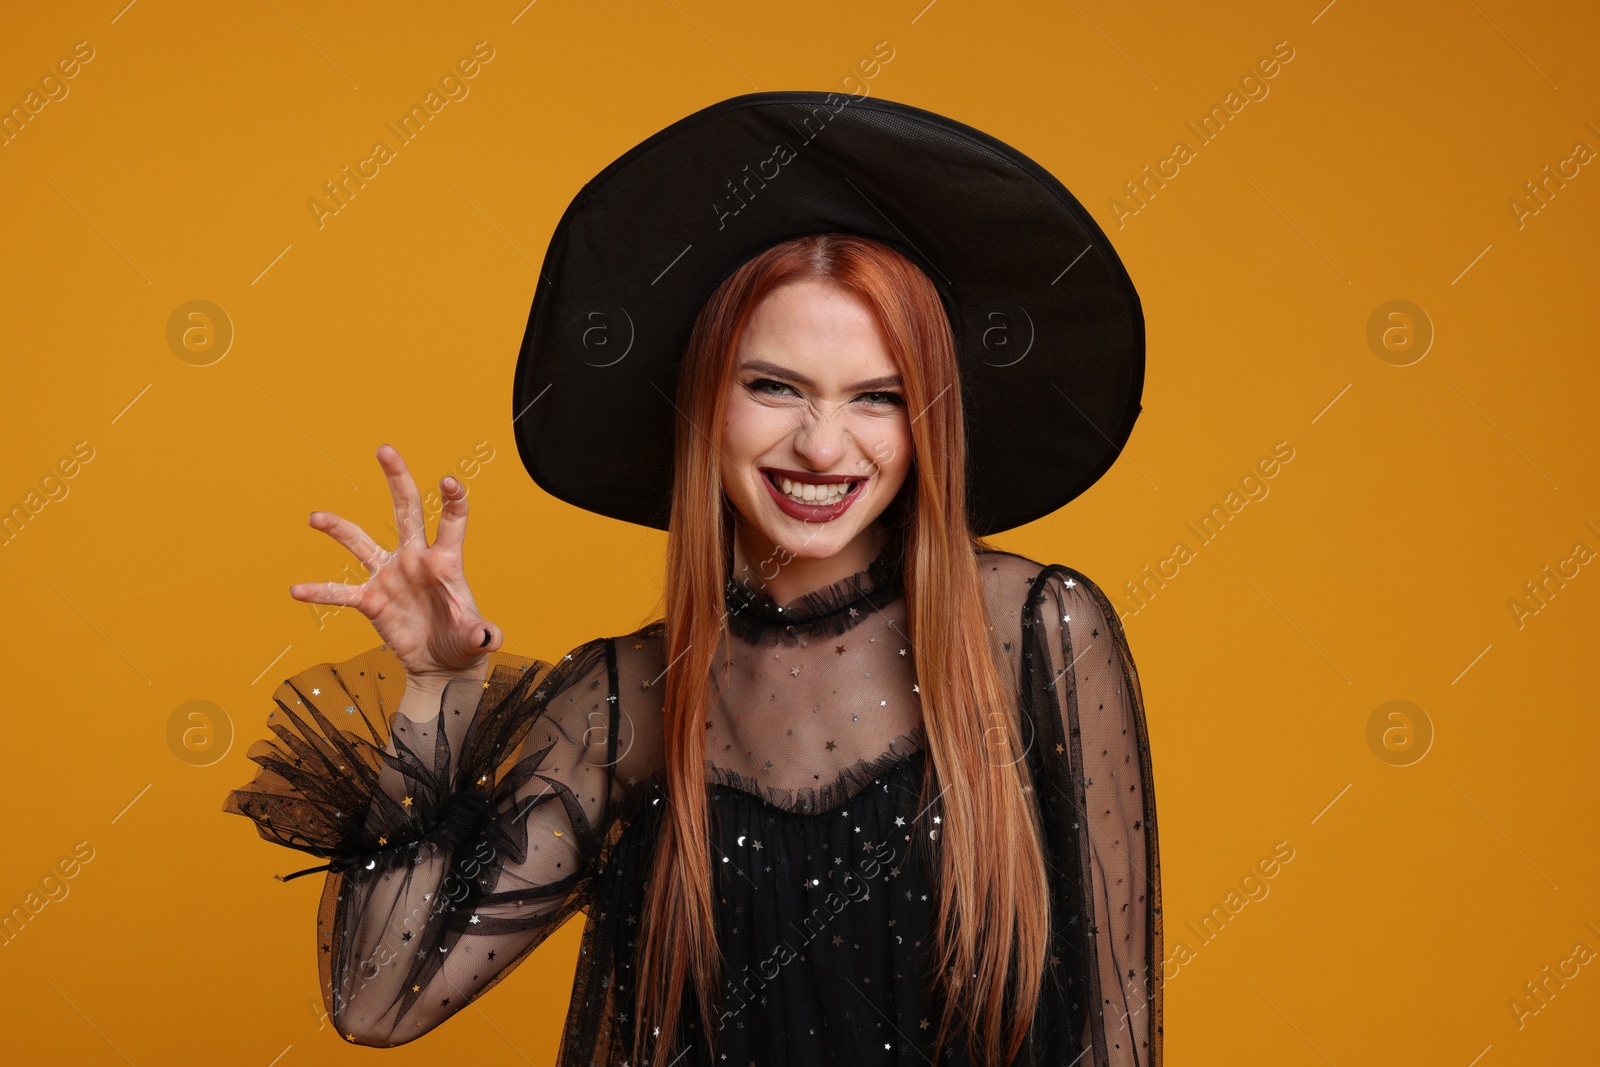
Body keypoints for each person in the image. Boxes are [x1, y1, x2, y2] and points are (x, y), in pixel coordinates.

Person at [224, 93, 1161, 1067]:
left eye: (876, 397)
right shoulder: (626, 698)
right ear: (704, 401)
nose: (822, 443)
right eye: (774, 386)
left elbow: (1119, 1023)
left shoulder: (1037, 630)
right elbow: (379, 998)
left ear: (927, 420)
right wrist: (436, 691)